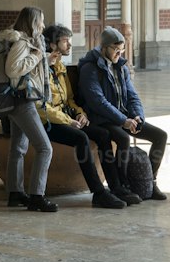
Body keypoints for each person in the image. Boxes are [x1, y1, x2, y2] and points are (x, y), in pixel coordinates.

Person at [41, 23, 139, 207]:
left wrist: (80, 113)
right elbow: (42, 106)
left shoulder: (60, 67)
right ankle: (98, 192)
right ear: (53, 45)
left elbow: (69, 99)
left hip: (67, 117)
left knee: (103, 135)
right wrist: (67, 120)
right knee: (81, 139)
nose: (70, 45)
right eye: (65, 41)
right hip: (49, 121)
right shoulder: (42, 69)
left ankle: (116, 187)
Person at [77, 27, 169, 200]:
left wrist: (137, 116)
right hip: (101, 118)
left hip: (123, 116)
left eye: (122, 49)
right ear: (103, 47)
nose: (119, 53)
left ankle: (150, 182)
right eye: (115, 49)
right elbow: (97, 102)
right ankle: (122, 186)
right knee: (123, 138)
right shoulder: (90, 68)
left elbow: (132, 95)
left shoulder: (121, 67)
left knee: (160, 136)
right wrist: (123, 120)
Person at [0, 6, 58, 212]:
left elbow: (26, 68)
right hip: (22, 101)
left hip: (18, 100)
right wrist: (37, 57)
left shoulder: (26, 42)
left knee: (18, 148)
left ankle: (15, 193)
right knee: (44, 148)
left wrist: (44, 60)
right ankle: (36, 196)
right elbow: (12, 69)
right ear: (32, 23)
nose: (43, 25)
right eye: (40, 21)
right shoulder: (22, 42)